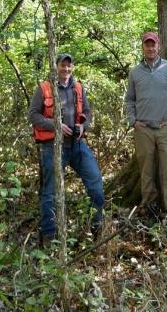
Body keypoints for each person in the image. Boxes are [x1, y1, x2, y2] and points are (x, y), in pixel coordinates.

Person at [29, 53, 105, 244]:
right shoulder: (44, 88)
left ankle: (98, 228)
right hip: (53, 147)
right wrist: (54, 124)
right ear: (56, 67)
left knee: (95, 182)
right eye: (62, 66)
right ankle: (49, 237)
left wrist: (83, 126)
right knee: (51, 192)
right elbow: (33, 115)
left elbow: (87, 112)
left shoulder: (78, 87)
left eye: (69, 66)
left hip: (77, 145)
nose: (66, 69)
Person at [125, 31, 167, 224]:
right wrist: (133, 121)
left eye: (153, 45)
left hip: (166, 128)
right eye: (147, 45)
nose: (150, 48)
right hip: (143, 129)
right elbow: (130, 99)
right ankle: (149, 205)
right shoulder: (135, 72)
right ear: (143, 47)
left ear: (158, 46)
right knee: (146, 170)